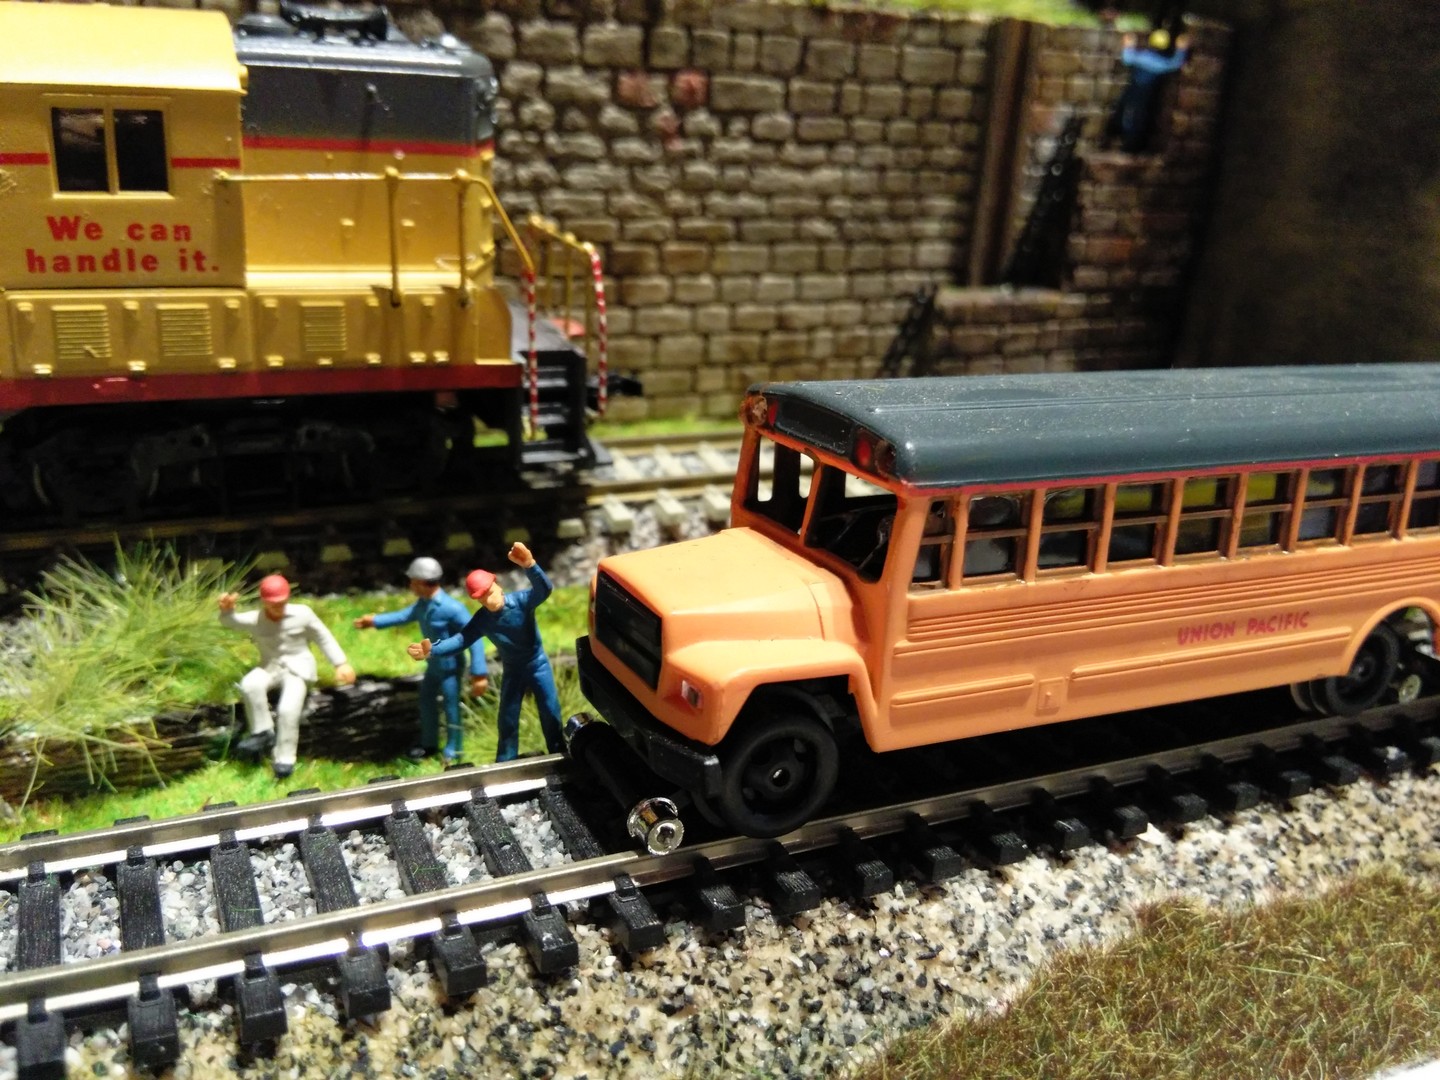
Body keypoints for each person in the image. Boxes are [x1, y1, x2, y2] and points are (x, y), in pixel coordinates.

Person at [407, 542, 564, 762]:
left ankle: (559, 751)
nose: (489, 601)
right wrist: (432, 649)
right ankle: (506, 759)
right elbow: (461, 640)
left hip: (538, 664)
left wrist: (530, 565)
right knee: (508, 716)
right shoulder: (482, 619)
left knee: (550, 709)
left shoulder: (521, 602)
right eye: (482, 598)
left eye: (489, 593)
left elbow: (544, 590)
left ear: (498, 586)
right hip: (513, 670)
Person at [220, 574, 356, 778]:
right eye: (273, 603)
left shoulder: (303, 614)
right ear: (264, 601)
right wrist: (227, 609)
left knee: (288, 709)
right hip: (270, 667)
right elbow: (230, 622)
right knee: (249, 685)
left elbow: (323, 637)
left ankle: (285, 758)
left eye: (282, 602)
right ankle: (262, 732)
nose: (278, 607)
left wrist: (340, 663)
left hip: (298, 670)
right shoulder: (256, 619)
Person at [354, 556, 487, 762]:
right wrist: (374, 621)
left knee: (451, 707)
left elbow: (475, 636)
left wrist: (479, 672)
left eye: (413, 582)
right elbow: (403, 616)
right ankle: (429, 743)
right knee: (426, 703)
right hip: (433, 665)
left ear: (424, 583)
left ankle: (455, 748)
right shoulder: (422, 605)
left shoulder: (452, 608)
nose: (410, 586)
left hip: (450, 668)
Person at [1105, 28, 1191, 153]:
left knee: (1126, 115)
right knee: (1139, 119)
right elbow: (1175, 64)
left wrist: (1128, 45)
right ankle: (1131, 145)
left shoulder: (1141, 57)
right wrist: (1181, 49)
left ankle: (1118, 138)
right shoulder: (1161, 64)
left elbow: (1127, 59)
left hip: (1132, 92)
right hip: (1146, 97)